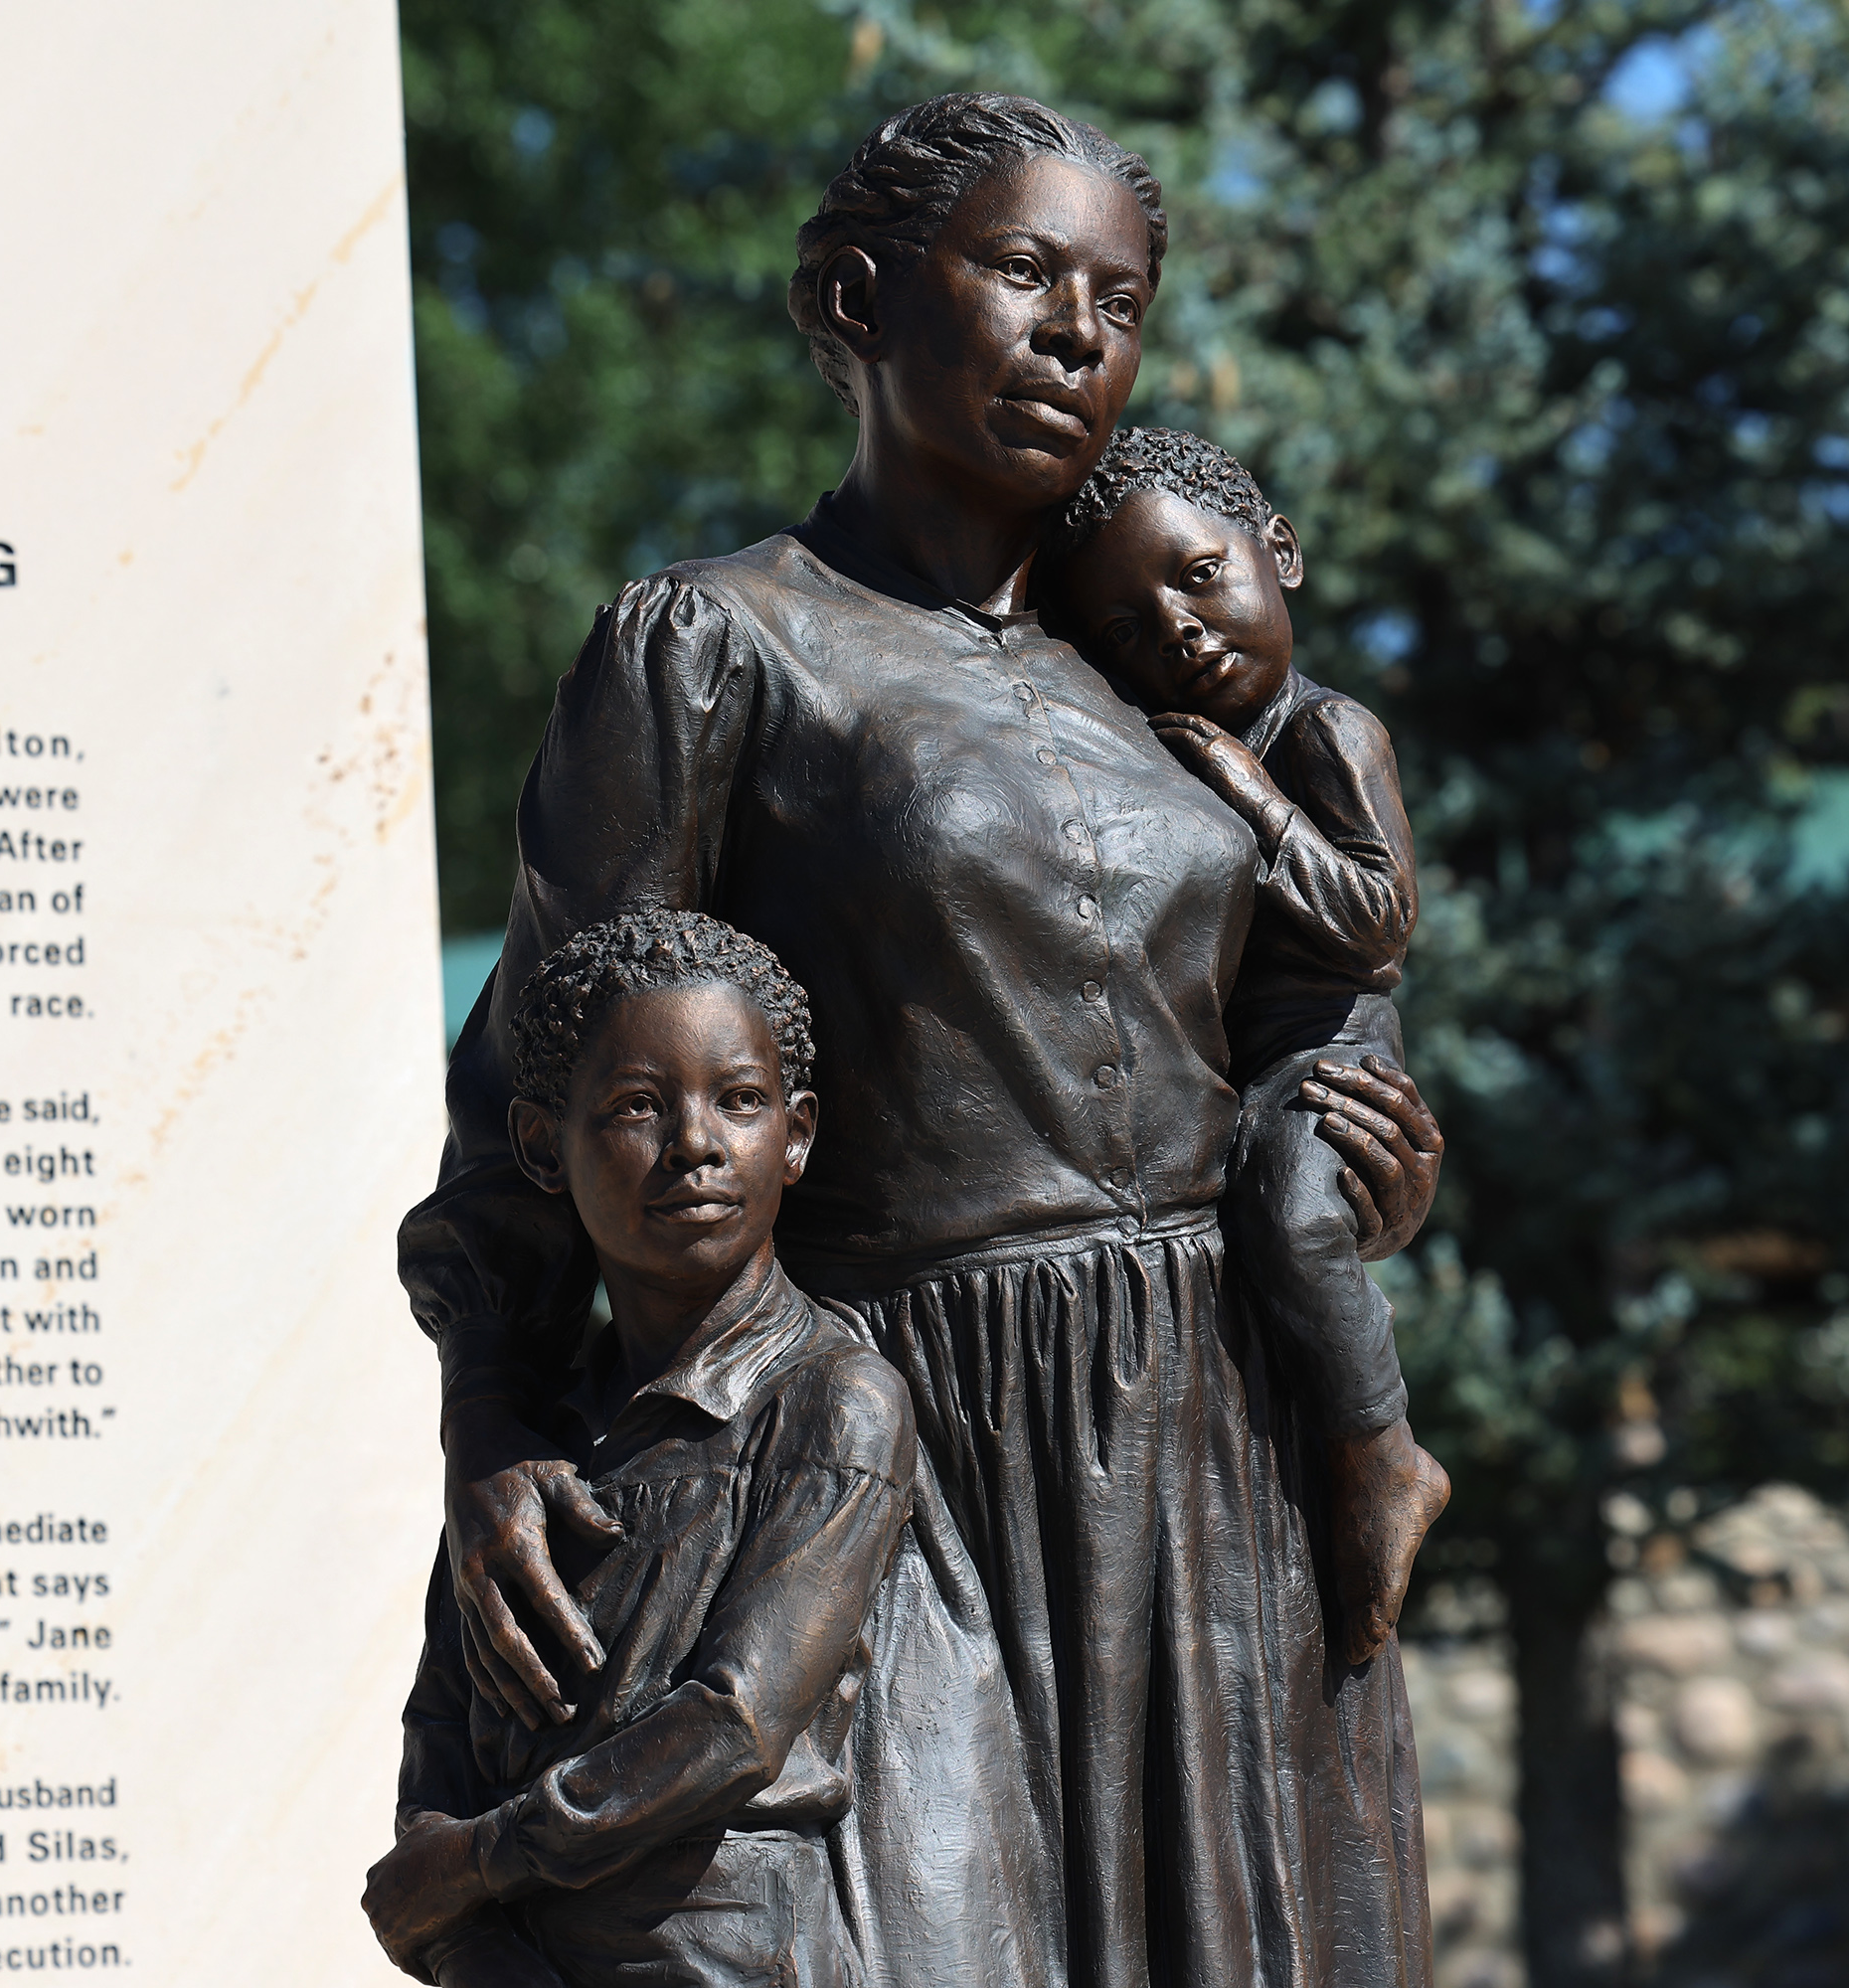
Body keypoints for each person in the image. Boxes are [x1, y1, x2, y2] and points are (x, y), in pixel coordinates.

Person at [398, 93, 1447, 1988]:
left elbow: (1310, 995)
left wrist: (1351, 1128)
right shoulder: (719, 646)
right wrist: (492, 1428)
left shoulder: (1165, 649)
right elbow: (539, 1097)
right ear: (859, 300)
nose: (1078, 335)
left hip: (1218, 1449)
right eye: (1026, 272)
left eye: (1119, 301)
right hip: (906, 1461)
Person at [363, 911, 916, 1987]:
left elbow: (736, 1720)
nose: (696, 1142)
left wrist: (479, 1861)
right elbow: (436, 1751)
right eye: (635, 1106)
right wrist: (470, 1941)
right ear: (539, 1145)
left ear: (797, 1134)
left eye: (740, 1100)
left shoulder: (833, 1401)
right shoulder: (530, 1447)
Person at [1042, 424, 1454, 1664]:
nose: (1174, 625)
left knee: (1291, 1204)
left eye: (1198, 573)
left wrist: (1250, 794)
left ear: (1279, 549)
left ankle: (1384, 1450)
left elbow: (1377, 926)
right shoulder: (1174, 756)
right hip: (1241, 1071)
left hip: (1329, 1051)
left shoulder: (1326, 735)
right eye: (1124, 626)